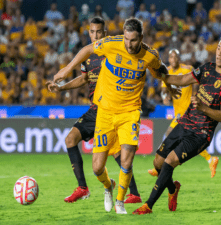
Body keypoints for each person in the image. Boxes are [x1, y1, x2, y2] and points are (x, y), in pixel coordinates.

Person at [53, 18, 179, 214]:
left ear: (141, 38)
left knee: (126, 161)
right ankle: (108, 186)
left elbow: (161, 71)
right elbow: (87, 49)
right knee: (97, 168)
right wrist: (67, 69)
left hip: (129, 113)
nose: (129, 44)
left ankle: (120, 201)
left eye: (134, 40)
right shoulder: (112, 44)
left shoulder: (149, 55)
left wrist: (170, 88)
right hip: (105, 111)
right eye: (127, 39)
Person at [133, 34, 221, 215]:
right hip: (184, 123)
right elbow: (182, 80)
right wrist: (162, 76)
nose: (219, 54)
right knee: (157, 162)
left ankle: (148, 205)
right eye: (219, 49)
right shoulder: (207, 68)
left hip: (200, 133)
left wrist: (204, 108)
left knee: (170, 161)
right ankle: (173, 190)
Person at [46, 17, 142, 205]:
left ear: (105, 33)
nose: (96, 35)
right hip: (95, 108)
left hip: (112, 108)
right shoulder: (88, 56)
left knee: (117, 154)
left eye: (99, 32)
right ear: (89, 32)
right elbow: (84, 79)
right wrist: (62, 87)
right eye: (92, 32)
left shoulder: (113, 51)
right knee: (70, 139)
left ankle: (134, 193)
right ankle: (83, 188)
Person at [147, 49, 219, 179]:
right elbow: (164, 88)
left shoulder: (187, 69)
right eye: (170, 56)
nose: (172, 59)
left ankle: (159, 167)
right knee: (187, 140)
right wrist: (164, 96)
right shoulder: (167, 71)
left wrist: (196, 97)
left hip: (187, 111)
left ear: (179, 58)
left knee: (169, 134)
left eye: (174, 56)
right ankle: (210, 159)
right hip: (178, 111)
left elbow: (196, 82)